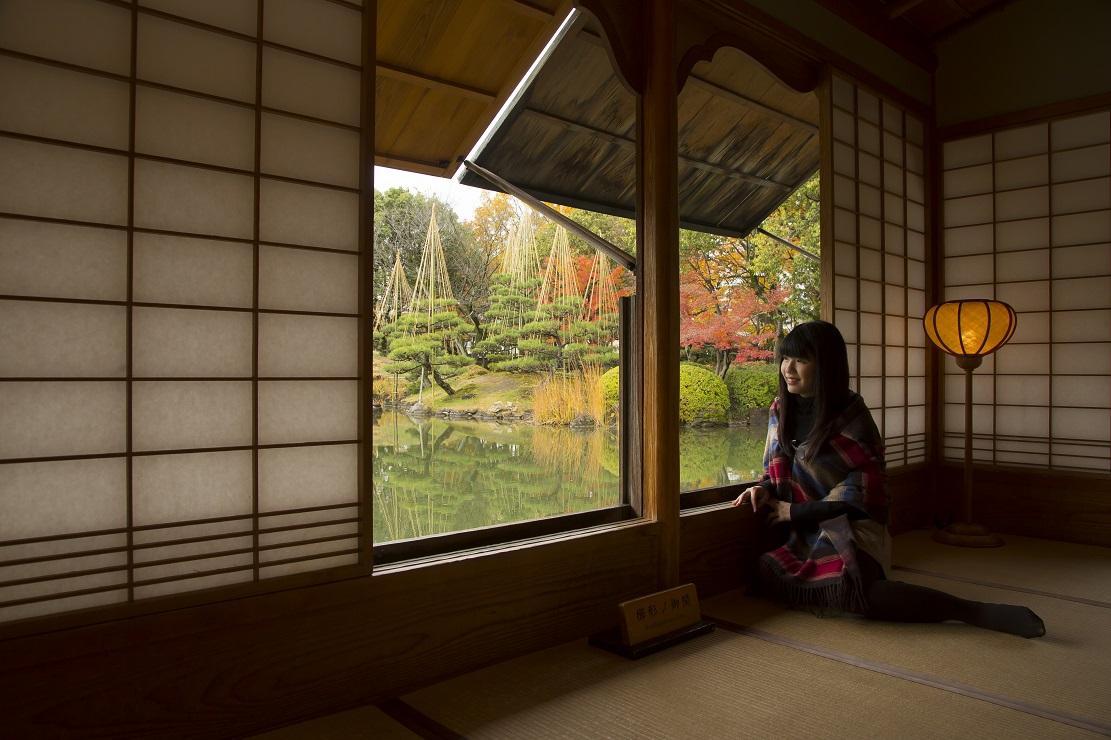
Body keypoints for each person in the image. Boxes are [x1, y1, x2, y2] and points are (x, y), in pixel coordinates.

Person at [733, 320, 1045, 638]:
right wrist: (761, 488)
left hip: (852, 526)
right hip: (802, 529)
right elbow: (776, 469)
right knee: (764, 573)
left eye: (801, 360)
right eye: (785, 358)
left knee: (862, 596)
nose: (789, 369)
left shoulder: (850, 412)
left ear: (826, 365)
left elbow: (866, 488)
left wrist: (795, 511)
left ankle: (969, 610)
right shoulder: (779, 409)